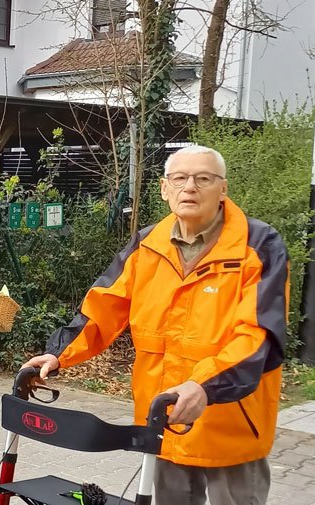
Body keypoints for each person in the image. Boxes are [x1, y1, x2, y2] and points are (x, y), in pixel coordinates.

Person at [23, 145, 288, 505]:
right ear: (165, 189)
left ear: (223, 189)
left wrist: (205, 385)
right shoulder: (148, 243)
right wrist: (58, 354)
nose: (190, 187)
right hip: (165, 421)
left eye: (203, 178)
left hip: (231, 423)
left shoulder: (258, 245)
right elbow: (104, 306)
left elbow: (257, 335)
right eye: (180, 178)